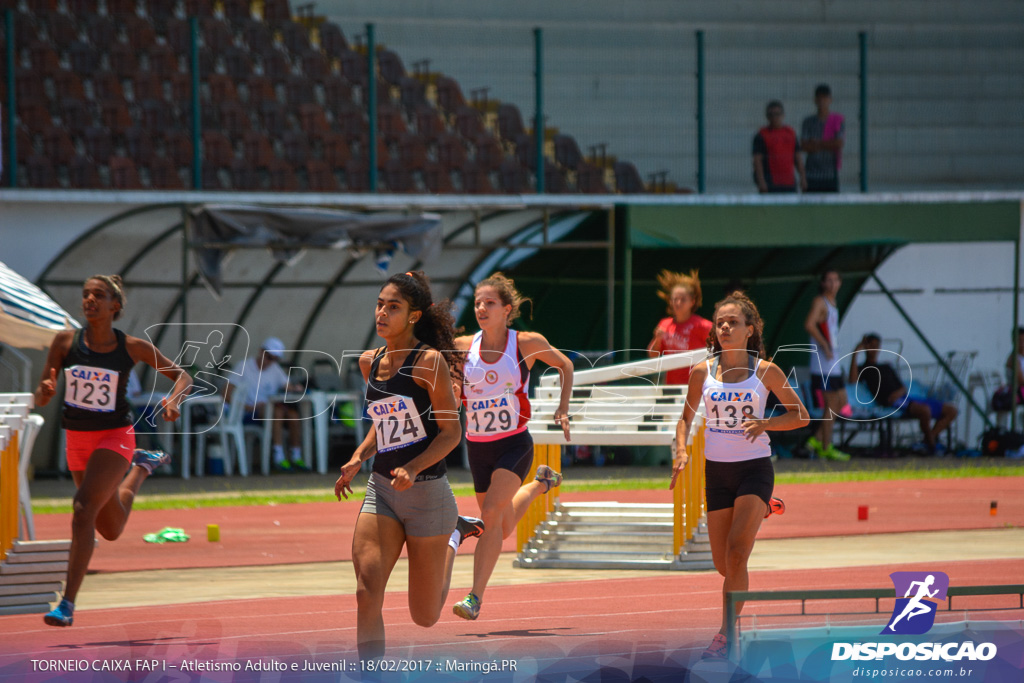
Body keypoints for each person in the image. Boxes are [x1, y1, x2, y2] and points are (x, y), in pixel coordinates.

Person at [334, 271, 484, 660]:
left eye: (393, 307)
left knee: (426, 616)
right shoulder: (371, 362)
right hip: (381, 489)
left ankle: (455, 533)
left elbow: (451, 433)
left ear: (414, 316)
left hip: (428, 494)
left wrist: (415, 468)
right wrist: (358, 457)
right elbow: (382, 424)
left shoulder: (429, 362)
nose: (382, 312)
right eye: (380, 304)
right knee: (366, 593)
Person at [34, 275, 193, 627]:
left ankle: (67, 604)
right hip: (77, 437)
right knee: (110, 527)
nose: (89, 299)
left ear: (114, 307)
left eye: (99, 295)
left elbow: (183, 376)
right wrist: (45, 390)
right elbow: (41, 397)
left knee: (82, 509)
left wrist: (174, 398)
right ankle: (142, 469)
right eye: (86, 294)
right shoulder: (64, 342)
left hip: (114, 436)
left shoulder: (132, 347)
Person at [672, 292, 809, 659]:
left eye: (734, 322)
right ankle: (765, 508)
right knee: (722, 565)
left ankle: (724, 636)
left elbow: (802, 415)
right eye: (720, 323)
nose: (726, 327)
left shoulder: (766, 372)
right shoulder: (703, 372)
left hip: (754, 468)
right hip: (716, 472)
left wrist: (767, 422)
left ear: (750, 330)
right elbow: (684, 421)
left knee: (736, 555)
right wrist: (681, 450)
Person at [450, 273, 573, 621]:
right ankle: (541, 484)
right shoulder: (462, 347)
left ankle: (474, 597)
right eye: (477, 303)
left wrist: (563, 407)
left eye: (489, 303)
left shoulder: (525, 343)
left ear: (507, 309)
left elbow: (565, 365)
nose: (481, 308)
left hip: (514, 444)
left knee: (489, 516)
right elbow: (451, 383)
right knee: (501, 528)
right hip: (478, 448)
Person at [849, 333, 958, 454]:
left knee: (951, 410)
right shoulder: (864, 369)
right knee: (924, 410)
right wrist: (856, 352)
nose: (874, 349)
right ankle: (931, 446)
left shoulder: (886, 366)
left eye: (876, 346)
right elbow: (852, 381)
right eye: (871, 346)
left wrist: (899, 393)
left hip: (904, 397)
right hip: (892, 401)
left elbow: (902, 387)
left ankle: (928, 439)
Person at [224, 336, 306, 472]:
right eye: (269, 357)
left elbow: (287, 386)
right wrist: (247, 407)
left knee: (293, 414)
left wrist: (296, 388)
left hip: (267, 411)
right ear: (261, 351)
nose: (271, 362)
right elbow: (225, 394)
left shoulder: (275, 369)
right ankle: (278, 456)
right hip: (246, 413)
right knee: (276, 412)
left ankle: (295, 455)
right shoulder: (243, 366)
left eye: (275, 359)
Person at [804, 269, 850, 461]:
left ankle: (816, 439)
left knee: (841, 401)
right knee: (831, 404)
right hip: (823, 364)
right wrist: (824, 345)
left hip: (833, 363)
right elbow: (809, 324)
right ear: (823, 283)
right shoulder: (820, 302)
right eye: (828, 280)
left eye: (835, 280)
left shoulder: (834, 304)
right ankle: (825, 446)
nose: (832, 284)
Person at [647, 269, 713, 386]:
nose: (678, 303)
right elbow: (653, 355)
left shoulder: (703, 326)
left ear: (692, 301)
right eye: (674, 299)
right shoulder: (665, 324)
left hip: (697, 385)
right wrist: (658, 339)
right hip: (671, 385)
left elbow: (718, 353)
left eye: (683, 299)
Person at [752, 100, 806, 193]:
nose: (774, 117)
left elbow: (797, 158)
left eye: (777, 114)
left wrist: (803, 177)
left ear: (783, 115)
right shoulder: (762, 135)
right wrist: (761, 181)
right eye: (771, 114)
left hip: (789, 182)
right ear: (767, 116)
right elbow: (757, 161)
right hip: (770, 182)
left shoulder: (790, 133)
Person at [800, 84, 844, 193]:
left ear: (830, 100)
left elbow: (838, 143)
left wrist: (817, 143)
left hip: (830, 175)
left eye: (825, 98)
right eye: (819, 98)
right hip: (811, 175)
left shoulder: (837, 120)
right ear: (815, 100)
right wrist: (828, 144)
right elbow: (805, 146)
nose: (822, 101)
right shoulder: (808, 122)